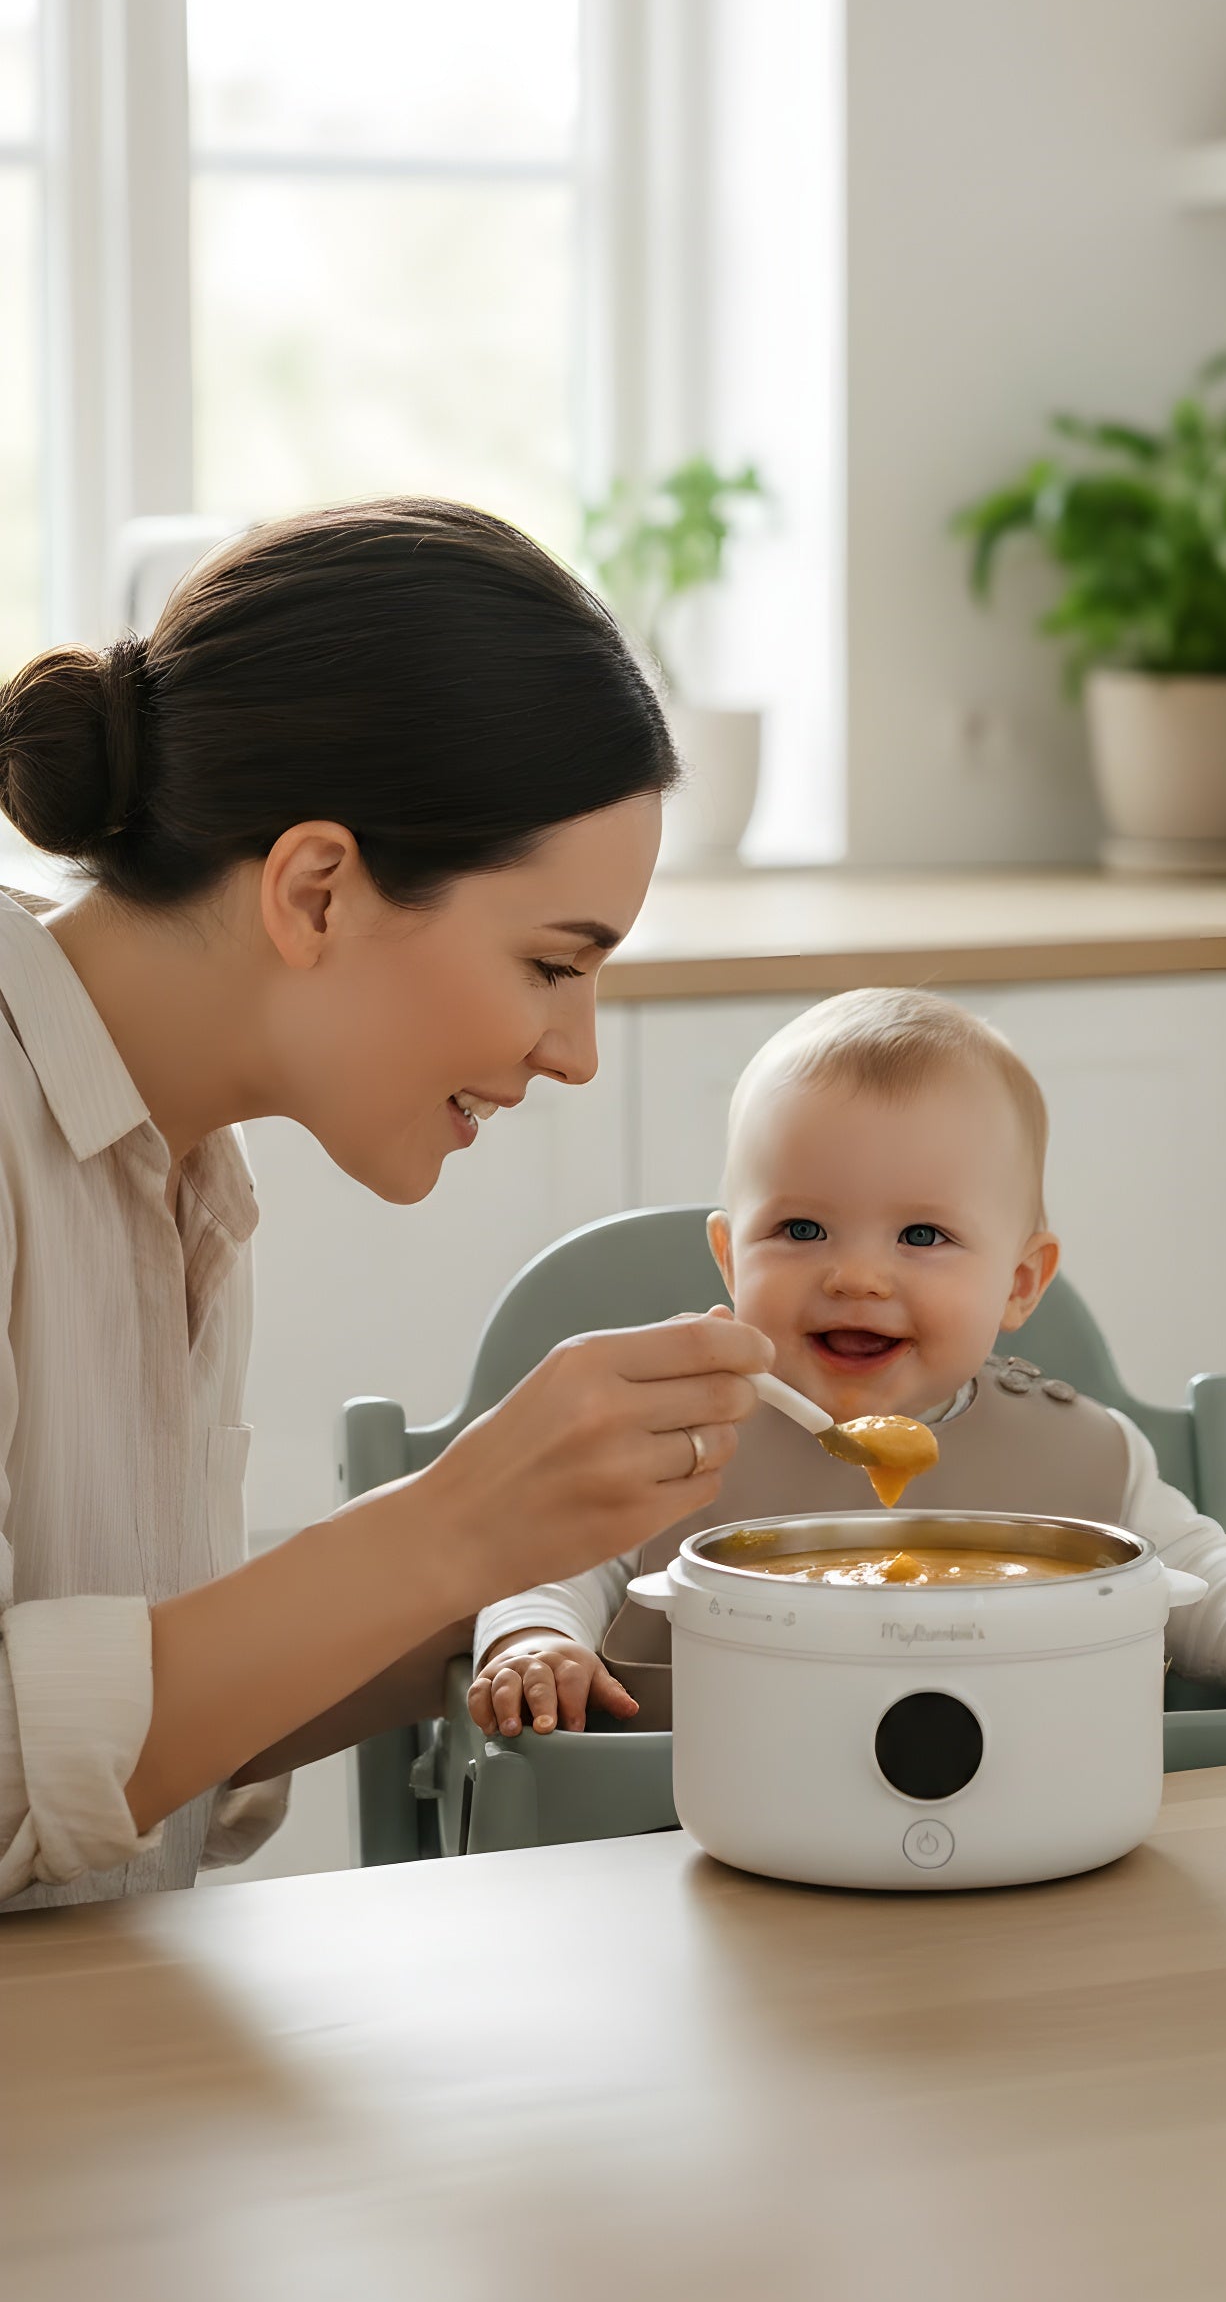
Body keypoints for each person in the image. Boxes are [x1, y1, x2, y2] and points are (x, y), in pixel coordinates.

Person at [0, 498, 771, 1909]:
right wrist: (452, 1524)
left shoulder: (178, 1172)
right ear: (316, 892)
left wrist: (525, 1576)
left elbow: (104, 1738)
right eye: (553, 966)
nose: (577, 1054)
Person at [470, 987, 1226, 1746]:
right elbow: (551, 1561)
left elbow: (1193, 1569)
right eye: (800, 1228)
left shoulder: (1082, 1461)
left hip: (1034, 1849)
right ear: (729, 1260)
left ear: (1019, 1283)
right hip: (678, 1853)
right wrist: (536, 1638)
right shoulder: (674, 1439)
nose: (857, 1276)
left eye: (922, 1235)